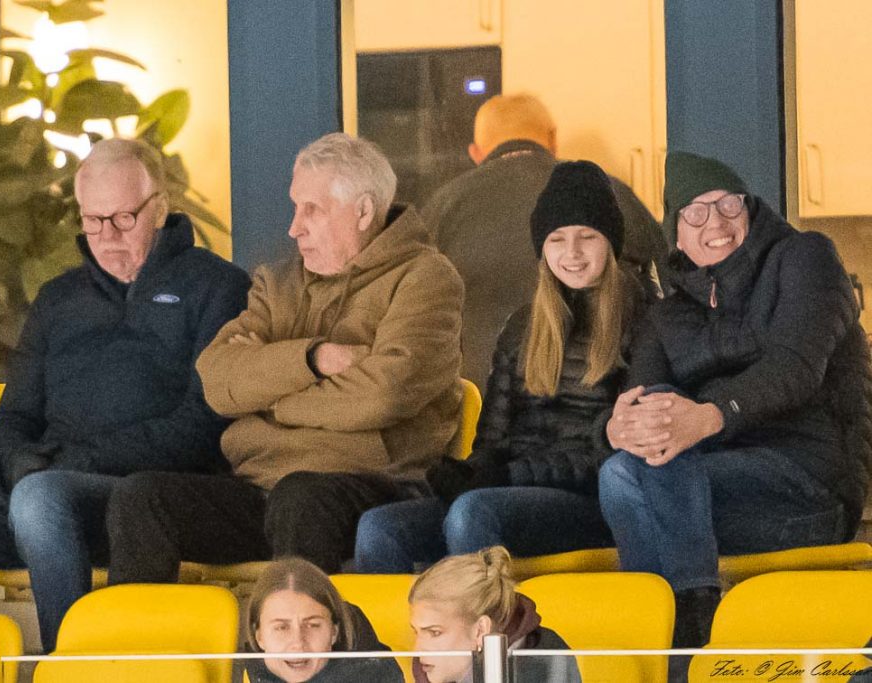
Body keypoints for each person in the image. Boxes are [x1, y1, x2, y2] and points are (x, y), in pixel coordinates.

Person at [0, 138, 251, 652]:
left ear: (161, 208)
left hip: (143, 503)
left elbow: (203, 423)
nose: (107, 237)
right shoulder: (59, 298)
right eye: (93, 221)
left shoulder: (218, 287)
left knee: (41, 497)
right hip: (43, 493)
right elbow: (14, 417)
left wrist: (75, 464)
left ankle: (70, 665)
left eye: (123, 219)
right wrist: (15, 464)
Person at [104, 132, 464, 579]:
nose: (294, 228)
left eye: (312, 209)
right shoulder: (277, 284)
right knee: (141, 496)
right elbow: (217, 380)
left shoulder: (426, 278)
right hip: (260, 486)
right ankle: (139, 630)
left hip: (374, 484)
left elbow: (383, 395)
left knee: (300, 497)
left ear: (363, 211)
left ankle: (304, 626)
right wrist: (313, 360)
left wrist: (269, 397)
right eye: (295, 207)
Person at [598, 151, 872, 650]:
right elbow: (642, 404)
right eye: (695, 212)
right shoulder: (667, 316)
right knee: (620, 469)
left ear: (749, 207)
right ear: (676, 234)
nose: (716, 223)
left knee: (638, 476)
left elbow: (795, 368)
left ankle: (675, 637)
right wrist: (618, 428)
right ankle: (686, 618)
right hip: (703, 496)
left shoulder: (804, 258)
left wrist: (711, 416)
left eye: (728, 204)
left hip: (809, 488)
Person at [355, 160, 643, 573]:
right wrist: (470, 472)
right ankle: (407, 619)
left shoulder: (641, 322)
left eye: (587, 237)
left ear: (610, 243)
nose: (572, 253)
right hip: (510, 490)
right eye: (557, 239)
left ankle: (485, 618)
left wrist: (508, 476)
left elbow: (620, 461)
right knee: (380, 528)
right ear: (541, 248)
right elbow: (492, 442)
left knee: (472, 513)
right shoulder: (523, 327)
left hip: (593, 501)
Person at [421, 93, 666, 391]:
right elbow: (668, 287)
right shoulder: (611, 193)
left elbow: (419, 315)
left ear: (476, 152)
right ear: (552, 138)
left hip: (483, 395)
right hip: (602, 392)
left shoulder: (444, 206)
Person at [409, 546, 580, 683]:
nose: (418, 649)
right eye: (417, 632)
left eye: (435, 633)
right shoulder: (429, 669)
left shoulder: (547, 663)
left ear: (480, 630)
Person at [239, 557, 404, 683]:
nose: (298, 643)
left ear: (334, 632)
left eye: (313, 625)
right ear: (259, 637)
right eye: (282, 627)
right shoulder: (260, 674)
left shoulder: (376, 675)